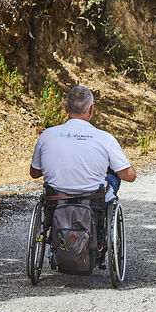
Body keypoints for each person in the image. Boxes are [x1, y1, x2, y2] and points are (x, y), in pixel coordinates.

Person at [30, 86, 135, 263]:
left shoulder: (47, 135)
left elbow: (34, 173)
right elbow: (129, 176)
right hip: (92, 200)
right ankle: (98, 239)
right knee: (112, 177)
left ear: (65, 107)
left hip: (55, 199)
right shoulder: (104, 138)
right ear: (92, 109)